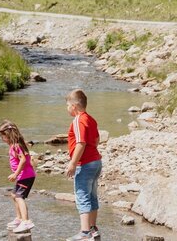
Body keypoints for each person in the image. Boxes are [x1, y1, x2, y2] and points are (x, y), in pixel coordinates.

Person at [65, 89, 102, 240]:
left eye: (67, 105)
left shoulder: (78, 120)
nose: (67, 108)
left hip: (84, 164)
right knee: (92, 195)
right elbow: (97, 140)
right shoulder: (90, 119)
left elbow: (81, 142)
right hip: (96, 162)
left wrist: (73, 163)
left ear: (74, 106)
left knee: (82, 196)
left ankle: (84, 232)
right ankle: (93, 229)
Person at [0, 120, 36, 234]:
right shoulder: (14, 145)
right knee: (14, 195)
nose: (2, 139)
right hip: (23, 176)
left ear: (9, 135)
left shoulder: (16, 146)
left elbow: (23, 160)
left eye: (3, 136)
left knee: (19, 197)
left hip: (26, 176)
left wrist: (15, 173)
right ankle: (19, 219)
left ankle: (26, 221)